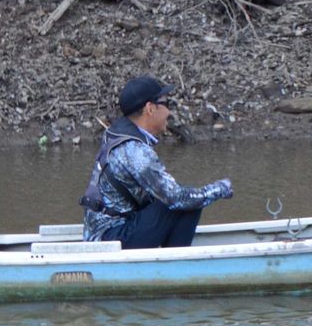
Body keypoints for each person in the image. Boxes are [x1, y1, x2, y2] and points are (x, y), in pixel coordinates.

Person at [80, 74, 233, 248]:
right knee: (189, 201)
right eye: (166, 104)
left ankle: (172, 257)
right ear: (150, 109)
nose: (169, 111)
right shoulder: (135, 151)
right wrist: (219, 189)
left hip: (104, 232)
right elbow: (175, 197)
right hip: (110, 238)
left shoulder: (116, 134)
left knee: (183, 200)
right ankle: (175, 266)